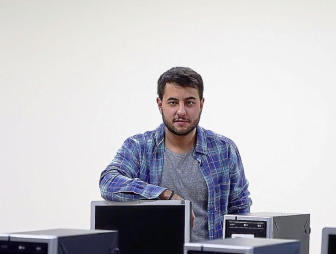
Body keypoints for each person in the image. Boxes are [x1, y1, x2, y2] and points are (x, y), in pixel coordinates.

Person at [99, 67, 252, 241]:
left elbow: (240, 208)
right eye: (173, 102)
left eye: (189, 102)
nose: (181, 111)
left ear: (201, 104)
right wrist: (164, 194)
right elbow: (108, 182)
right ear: (160, 104)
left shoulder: (224, 149)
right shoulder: (139, 147)